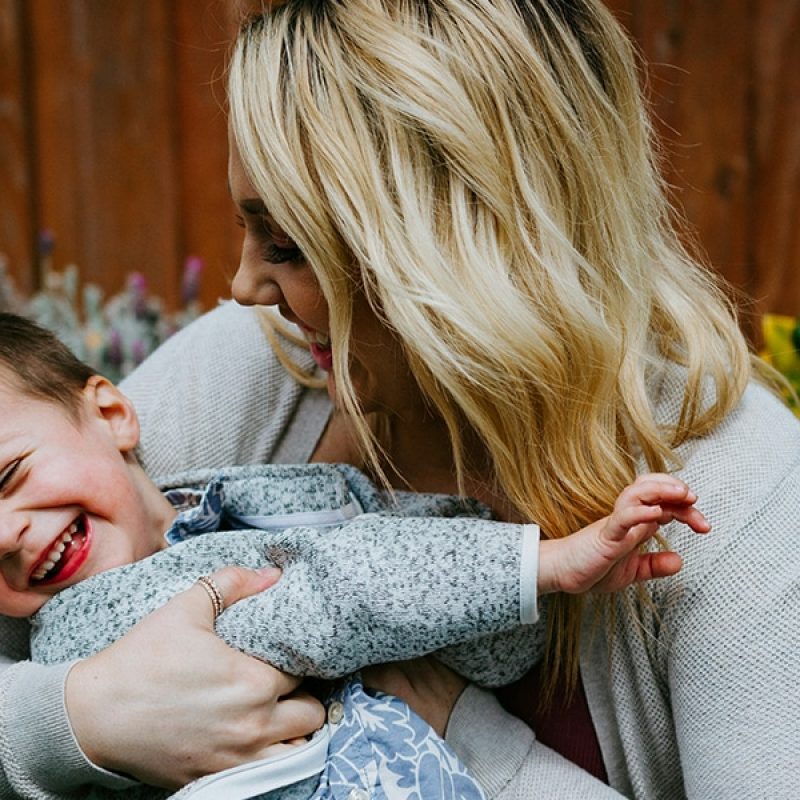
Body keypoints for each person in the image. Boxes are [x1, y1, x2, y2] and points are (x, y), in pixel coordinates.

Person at [0, 1, 797, 798]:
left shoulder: (735, 492)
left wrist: (447, 724)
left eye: (288, 246)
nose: (243, 286)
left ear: (454, 246)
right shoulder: (262, 368)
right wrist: (83, 718)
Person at [0, 312, 707, 800]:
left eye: (10, 477)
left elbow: (484, 650)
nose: (4, 537)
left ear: (115, 415)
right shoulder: (88, 629)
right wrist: (541, 565)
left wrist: (508, 603)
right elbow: (327, 598)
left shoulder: (240, 503)